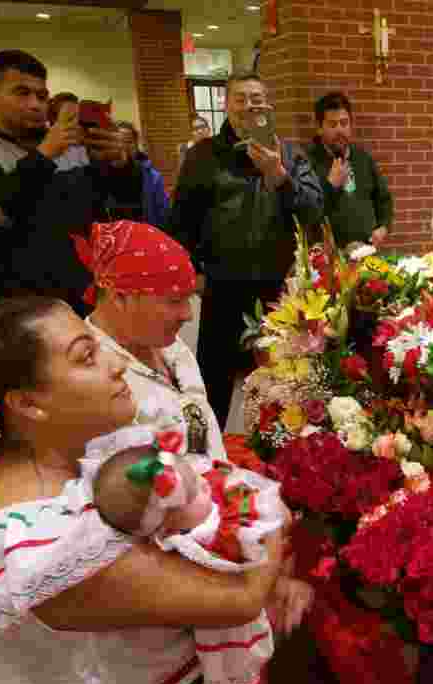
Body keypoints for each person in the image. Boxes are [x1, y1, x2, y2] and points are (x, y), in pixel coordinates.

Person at [0, 295, 308, 684]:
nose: (118, 363)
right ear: (29, 405)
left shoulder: (76, 463)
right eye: (87, 356)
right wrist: (270, 513)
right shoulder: (44, 548)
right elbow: (239, 600)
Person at [87, 426, 291, 684]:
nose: (204, 488)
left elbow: (212, 478)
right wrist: (268, 518)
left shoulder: (188, 512)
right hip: (214, 643)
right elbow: (247, 550)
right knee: (232, 675)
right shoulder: (195, 542)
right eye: (195, 491)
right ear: (165, 525)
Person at [168, 70, 323, 423]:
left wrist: (279, 178)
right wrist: (191, 271)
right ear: (226, 105)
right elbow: (181, 220)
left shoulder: (289, 154)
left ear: (266, 104)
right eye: (240, 99)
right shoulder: (202, 155)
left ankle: (282, 450)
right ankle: (206, 449)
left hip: (276, 289)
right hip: (222, 285)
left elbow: (314, 211)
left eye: (256, 98)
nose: (248, 106)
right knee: (213, 380)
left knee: (283, 378)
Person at [0, 50, 143, 313]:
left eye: (41, 96)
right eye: (22, 93)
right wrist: (44, 155)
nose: (35, 104)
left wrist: (121, 166)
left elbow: (118, 205)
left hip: (92, 288)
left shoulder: (73, 143)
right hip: (27, 300)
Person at [78, 220, 223, 465]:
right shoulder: (94, 381)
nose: (188, 314)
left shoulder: (165, 343)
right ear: (119, 297)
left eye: (189, 299)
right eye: (175, 301)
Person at [306, 91, 393, 249]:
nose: (340, 130)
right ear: (319, 128)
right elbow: (307, 213)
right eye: (333, 124)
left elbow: (383, 200)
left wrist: (384, 227)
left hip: (365, 253)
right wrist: (330, 185)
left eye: (344, 123)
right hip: (329, 260)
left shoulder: (363, 159)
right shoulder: (307, 163)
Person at [117, 120, 171, 228]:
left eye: (129, 141)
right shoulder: (103, 175)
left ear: (136, 144)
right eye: (119, 142)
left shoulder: (153, 177)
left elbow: (163, 215)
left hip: (146, 236)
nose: (124, 147)